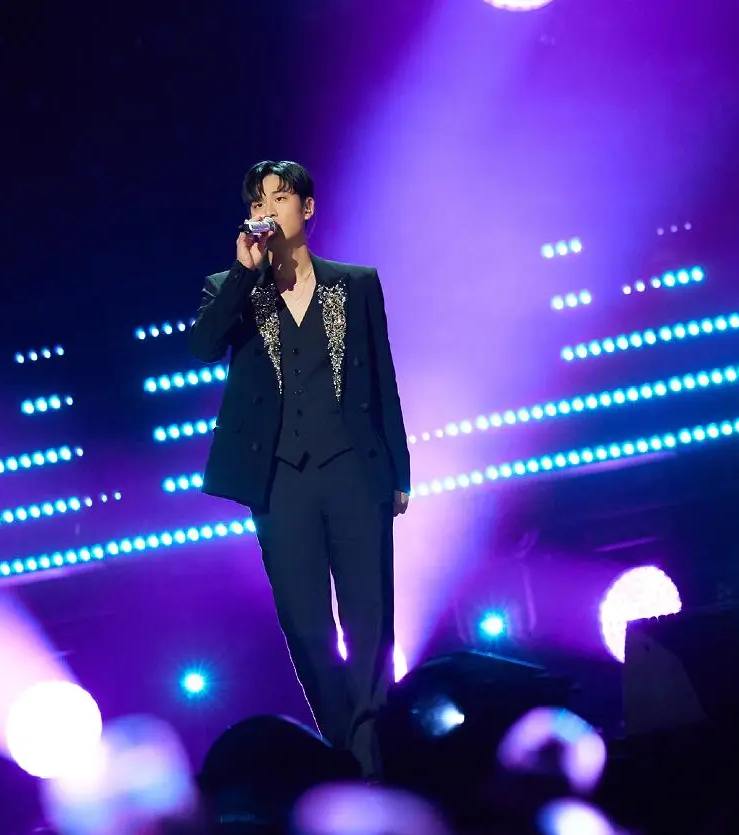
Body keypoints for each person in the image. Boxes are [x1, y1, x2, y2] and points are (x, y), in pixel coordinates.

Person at [189, 160, 411, 780]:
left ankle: (373, 757)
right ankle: (343, 754)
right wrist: (244, 273)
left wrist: (399, 470)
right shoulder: (231, 288)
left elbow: (383, 379)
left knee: (370, 619)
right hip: (279, 480)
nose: (267, 211)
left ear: (306, 208)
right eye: (257, 202)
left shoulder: (355, 285)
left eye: (279, 198)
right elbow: (202, 346)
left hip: (354, 470)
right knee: (307, 626)